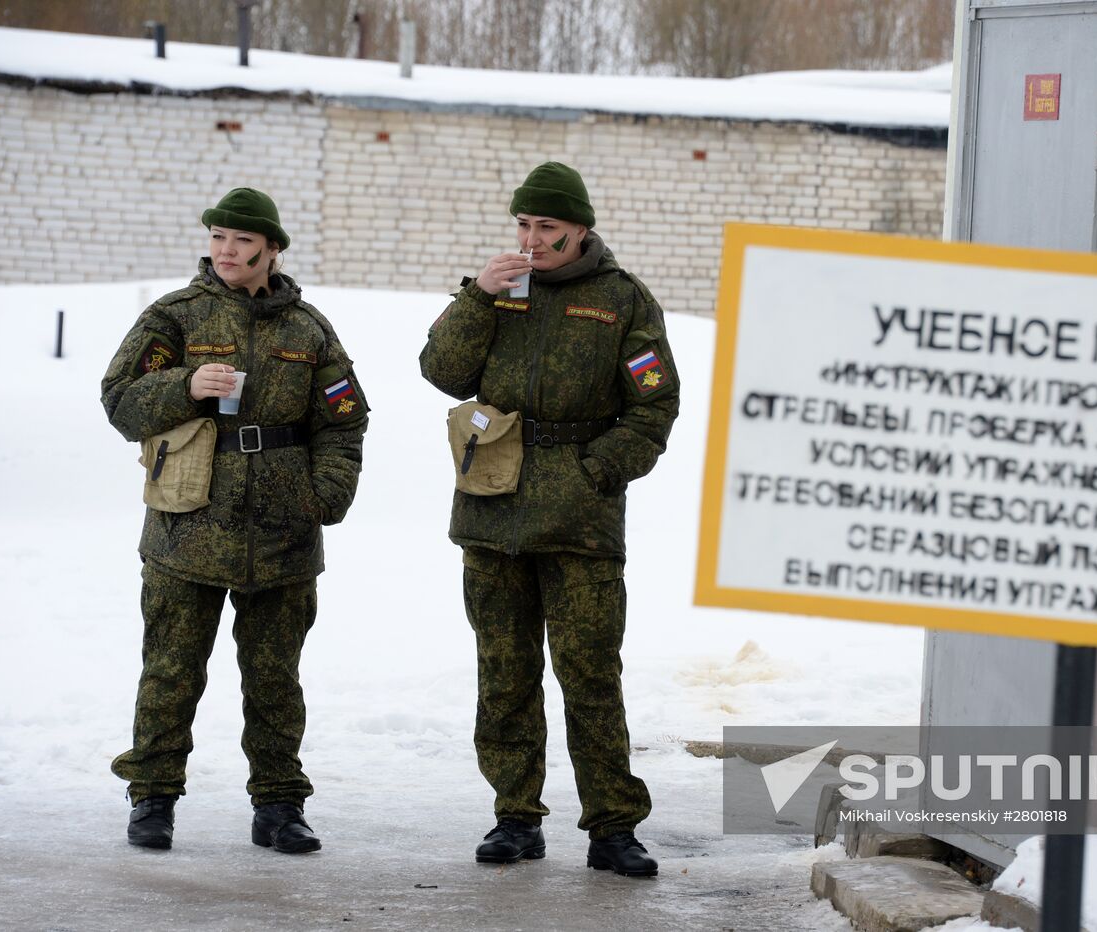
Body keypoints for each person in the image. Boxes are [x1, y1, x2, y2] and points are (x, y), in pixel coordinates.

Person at [419, 162, 679, 878]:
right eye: (525, 226)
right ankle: (515, 817)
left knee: (590, 673)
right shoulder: (495, 292)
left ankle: (612, 827)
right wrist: (478, 296)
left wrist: (599, 471)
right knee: (504, 672)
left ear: (581, 231)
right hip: (492, 508)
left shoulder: (622, 301)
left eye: (548, 229)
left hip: (580, 520)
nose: (532, 241)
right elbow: (441, 371)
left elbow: (654, 405)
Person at [101, 188, 368, 853]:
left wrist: (324, 498)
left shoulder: (308, 329)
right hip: (188, 524)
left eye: (242, 241)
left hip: (283, 529)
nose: (227, 250)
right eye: (219, 237)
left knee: (275, 680)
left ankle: (279, 807)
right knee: (171, 670)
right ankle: (153, 799)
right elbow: (120, 402)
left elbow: (344, 420)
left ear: (271, 250)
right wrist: (184, 386)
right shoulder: (175, 317)